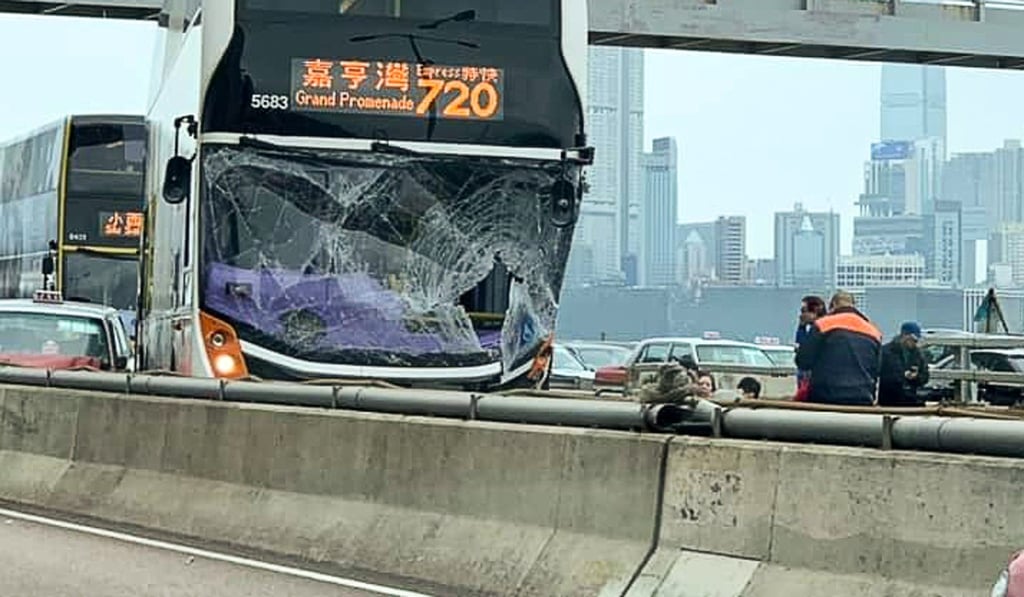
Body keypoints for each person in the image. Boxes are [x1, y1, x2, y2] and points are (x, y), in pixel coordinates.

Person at [795, 291, 882, 406]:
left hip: (825, 397)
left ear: (833, 305)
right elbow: (877, 369)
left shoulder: (822, 324)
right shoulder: (874, 331)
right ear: (854, 305)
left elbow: (803, 361)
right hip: (862, 398)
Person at [878, 321, 930, 407]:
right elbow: (883, 376)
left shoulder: (918, 354)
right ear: (904, 335)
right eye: (913, 339)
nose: (915, 342)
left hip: (911, 399)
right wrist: (902, 376)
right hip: (889, 400)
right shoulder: (886, 352)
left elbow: (925, 375)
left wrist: (916, 377)